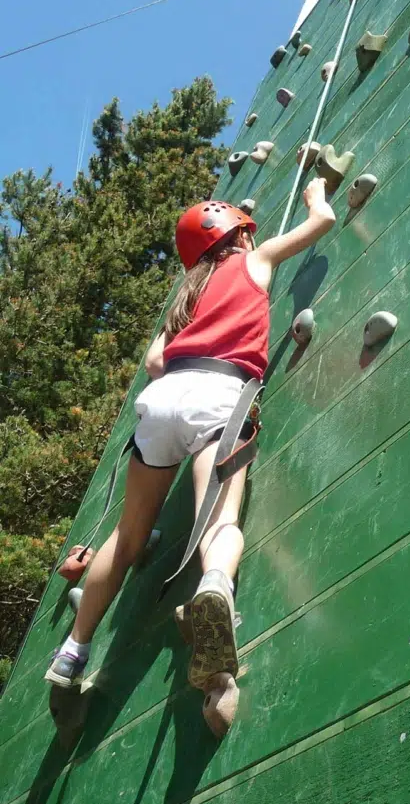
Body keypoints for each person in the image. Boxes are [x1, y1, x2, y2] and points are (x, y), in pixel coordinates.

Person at [45, 179, 336, 689]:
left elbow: (156, 361)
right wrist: (313, 195)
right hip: (221, 394)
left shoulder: (186, 295)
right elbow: (322, 225)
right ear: (240, 236)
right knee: (219, 521)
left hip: (164, 400)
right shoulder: (256, 258)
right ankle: (216, 588)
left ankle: (72, 651)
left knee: (128, 536)